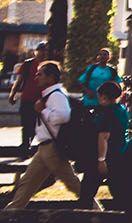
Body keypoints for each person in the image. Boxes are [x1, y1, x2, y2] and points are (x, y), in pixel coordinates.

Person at [8, 61, 91, 208]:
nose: (36, 77)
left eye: (40, 74)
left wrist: (42, 111)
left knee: (71, 182)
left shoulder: (56, 96)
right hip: (45, 147)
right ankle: (12, 211)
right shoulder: (51, 95)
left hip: (52, 148)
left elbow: (63, 116)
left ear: (51, 77)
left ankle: (94, 209)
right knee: (28, 182)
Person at [76, 79, 132, 208]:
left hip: (105, 156)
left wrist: (101, 159)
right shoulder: (122, 110)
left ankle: (83, 214)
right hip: (119, 153)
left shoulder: (105, 113)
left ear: (104, 97)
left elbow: (103, 137)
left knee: (88, 189)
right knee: (118, 189)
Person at [9, 43, 50, 154]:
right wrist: (12, 94)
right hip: (27, 97)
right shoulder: (28, 64)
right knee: (26, 123)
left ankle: (32, 143)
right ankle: (25, 145)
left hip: (42, 99)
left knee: (38, 124)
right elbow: (19, 81)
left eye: (44, 50)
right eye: (40, 50)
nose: (42, 53)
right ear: (35, 51)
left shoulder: (49, 66)